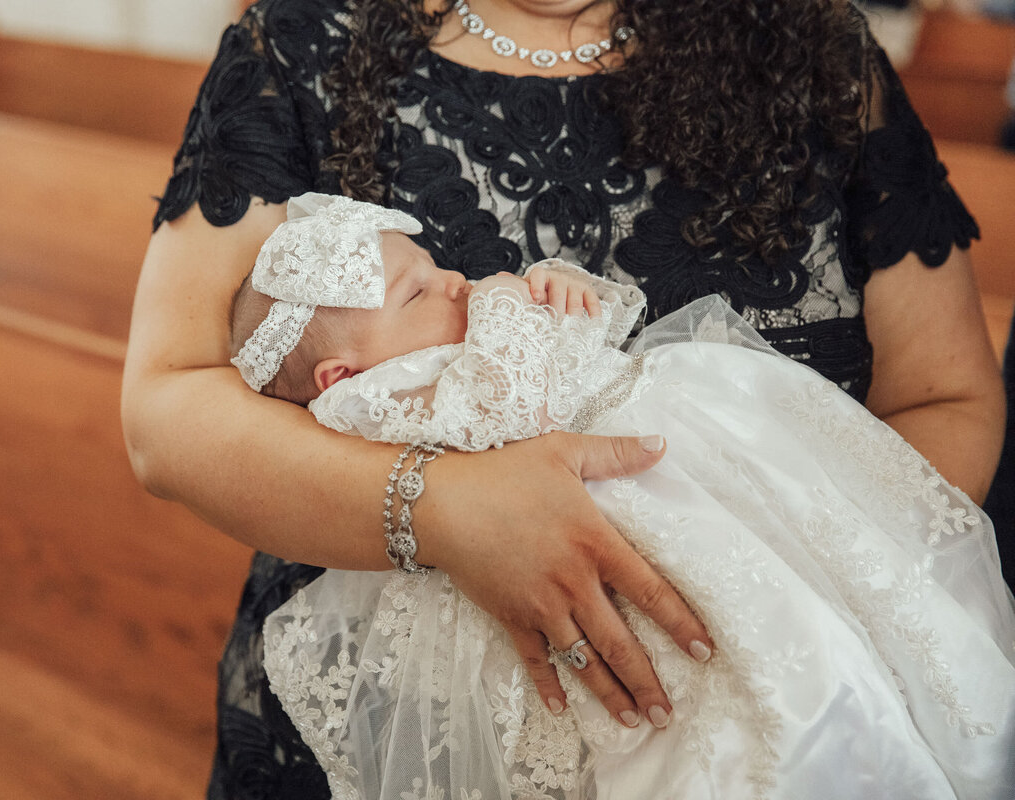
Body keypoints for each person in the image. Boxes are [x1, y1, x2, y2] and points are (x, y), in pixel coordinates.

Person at [119, 1, 1006, 796]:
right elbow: (170, 406)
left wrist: (789, 576)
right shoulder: (305, 44)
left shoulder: (816, 48)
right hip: (397, 731)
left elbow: (944, 397)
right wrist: (443, 508)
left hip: (794, 703)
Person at [228, 191, 1015, 799]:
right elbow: (509, 408)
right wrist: (509, 298)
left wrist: (560, 292)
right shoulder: (379, 399)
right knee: (716, 675)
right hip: (600, 522)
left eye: (438, 271)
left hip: (675, 472)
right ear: (341, 377)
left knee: (803, 619)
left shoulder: (421, 348)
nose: (457, 283)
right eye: (418, 292)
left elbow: (576, 344)